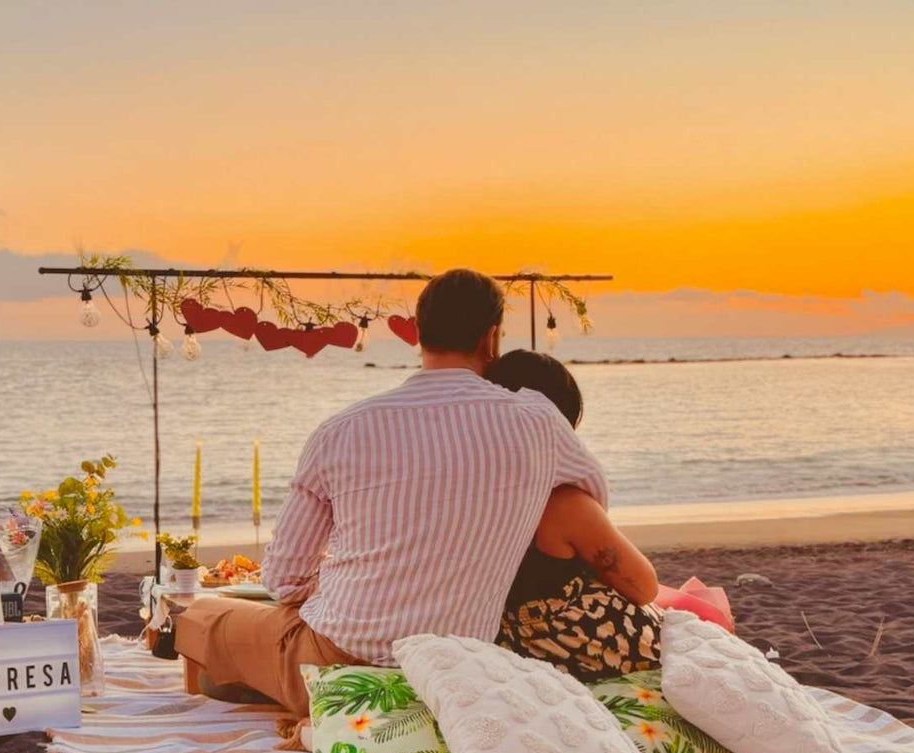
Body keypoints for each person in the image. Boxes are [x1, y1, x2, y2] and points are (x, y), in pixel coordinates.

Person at [153, 270, 610, 717]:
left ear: (417, 333)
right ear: (491, 339)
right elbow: (590, 496)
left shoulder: (342, 430)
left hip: (340, 663)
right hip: (458, 670)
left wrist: (348, 581)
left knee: (208, 614)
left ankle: (187, 645)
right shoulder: (540, 422)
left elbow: (283, 582)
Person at [485, 349, 664, 682]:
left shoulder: (467, 491)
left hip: (500, 643)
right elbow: (643, 587)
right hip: (570, 645)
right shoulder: (562, 504)